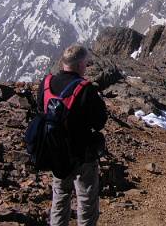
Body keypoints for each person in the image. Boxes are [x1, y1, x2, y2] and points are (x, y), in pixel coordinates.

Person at [37, 44, 107, 226]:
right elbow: (99, 122)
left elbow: (41, 111)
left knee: (60, 197)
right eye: (85, 63)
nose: (86, 66)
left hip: (56, 152)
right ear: (79, 65)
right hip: (82, 153)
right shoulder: (85, 89)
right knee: (86, 200)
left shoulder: (46, 84)